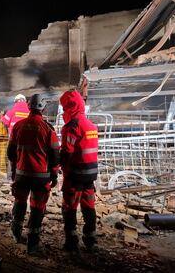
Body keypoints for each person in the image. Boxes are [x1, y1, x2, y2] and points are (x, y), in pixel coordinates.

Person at [7, 94, 60, 255]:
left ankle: (16, 232)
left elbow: (10, 152)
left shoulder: (18, 126)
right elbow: (55, 155)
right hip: (40, 178)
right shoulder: (48, 129)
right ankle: (33, 245)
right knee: (37, 208)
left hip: (22, 175)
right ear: (43, 108)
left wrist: (16, 169)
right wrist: (54, 174)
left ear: (29, 106)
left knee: (20, 201)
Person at [59, 89, 98, 252]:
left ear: (70, 107)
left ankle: (71, 241)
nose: (63, 110)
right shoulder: (91, 125)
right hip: (90, 175)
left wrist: (59, 166)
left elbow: (67, 151)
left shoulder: (72, 126)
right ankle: (91, 240)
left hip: (74, 175)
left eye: (64, 107)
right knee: (89, 207)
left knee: (69, 208)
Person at [1, 94, 30, 179]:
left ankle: (11, 177)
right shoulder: (29, 112)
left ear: (16, 101)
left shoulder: (13, 111)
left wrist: (2, 115)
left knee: (12, 158)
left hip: (14, 140)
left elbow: (5, 122)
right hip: (27, 141)